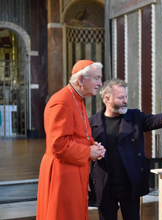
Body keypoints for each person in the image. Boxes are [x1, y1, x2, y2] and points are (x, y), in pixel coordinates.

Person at [88, 78, 162, 220]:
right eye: (120, 97)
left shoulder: (134, 116)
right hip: (105, 184)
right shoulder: (92, 123)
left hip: (129, 183)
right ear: (107, 99)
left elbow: (151, 121)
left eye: (126, 97)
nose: (125, 101)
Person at [36, 60, 107, 220]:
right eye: (96, 78)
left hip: (74, 169)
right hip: (62, 173)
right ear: (81, 80)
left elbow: (77, 134)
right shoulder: (62, 102)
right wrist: (89, 152)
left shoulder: (77, 99)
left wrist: (94, 146)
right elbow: (59, 145)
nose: (100, 83)